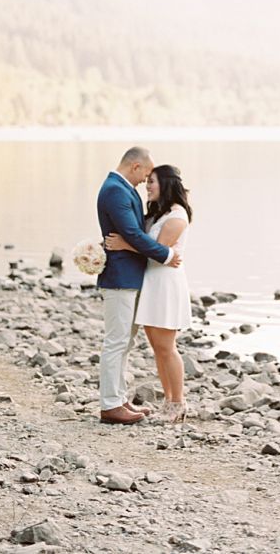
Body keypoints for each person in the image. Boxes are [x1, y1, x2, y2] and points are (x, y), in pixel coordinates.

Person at [96, 146, 182, 425]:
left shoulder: (123, 189)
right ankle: (110, 404)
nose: (146, 181)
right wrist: (166, 255)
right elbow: (131, 233)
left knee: (126, 341)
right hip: (120, 277)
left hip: (131, 277)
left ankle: (119, 398)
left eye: (150, 178)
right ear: (135, 166)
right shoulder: (115, 190)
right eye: (146, 173)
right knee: (116, 341)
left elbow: (132, 233)